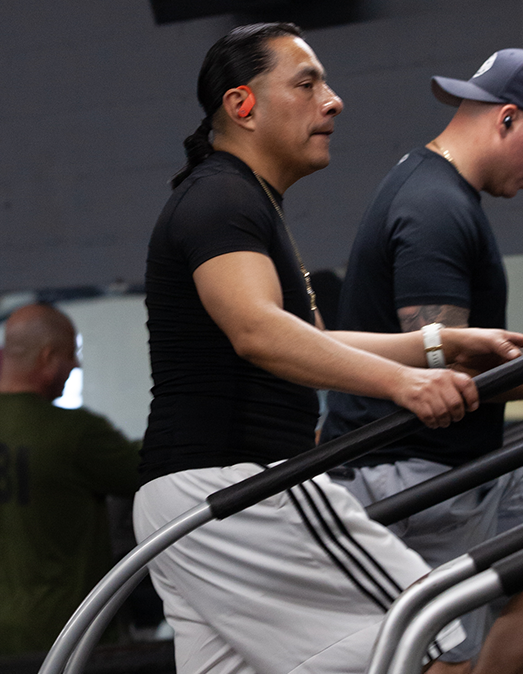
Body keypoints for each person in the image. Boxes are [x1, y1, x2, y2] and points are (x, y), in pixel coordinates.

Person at [132, 24, 523, 674]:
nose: (333, 101)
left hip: (187, 503)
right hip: (242, 488)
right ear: (242, 105)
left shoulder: (243, 201)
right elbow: (257, 331)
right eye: (307, 83)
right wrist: (406, 385)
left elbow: (307, 338)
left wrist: (437, 344)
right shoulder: (221, 199)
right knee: (433, 645)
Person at [320, 48, 523, 672]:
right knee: (439, 661)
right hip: (414, 476)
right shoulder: (435, 210)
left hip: (447, 469)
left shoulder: (437, 190)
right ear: (510, 120)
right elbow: (442, 376)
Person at [0, 303, 140, 656]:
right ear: (47, 357)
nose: (75, 365)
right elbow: (150, 468)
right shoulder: (74, 433)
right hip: (65, 627)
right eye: (70, 355)